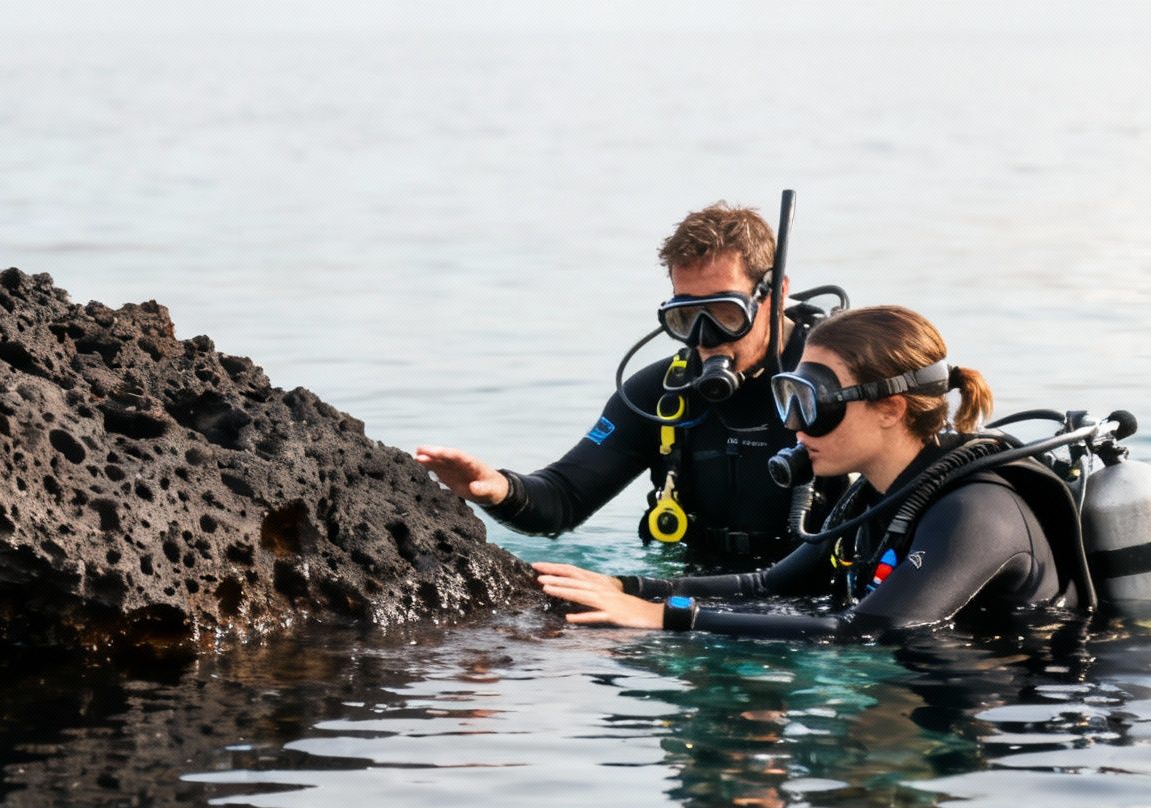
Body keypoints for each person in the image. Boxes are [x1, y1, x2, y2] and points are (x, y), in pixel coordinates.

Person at [533, 305, 1094, 640]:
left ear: (891, 408)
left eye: (814, 402)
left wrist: (665, 618)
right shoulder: (873, 498)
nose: (794, 425)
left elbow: (869, 630)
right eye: (788, 398)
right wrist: (623, 587)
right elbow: (768, 585)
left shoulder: (974, 511)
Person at [414, 203, 845, 570]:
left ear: (775, 292)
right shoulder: (660, 394)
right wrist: (497, 489)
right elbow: (563, 500)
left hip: (818, 603)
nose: (705, 337)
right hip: (699, 599)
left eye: (725, 314)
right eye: (685, 318)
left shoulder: (842, 383)